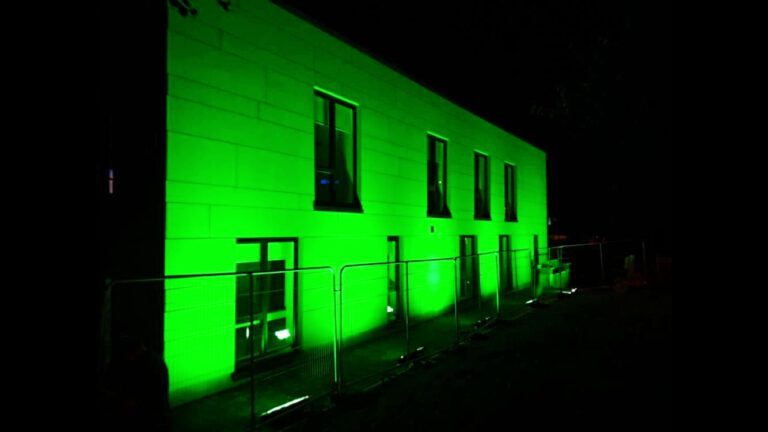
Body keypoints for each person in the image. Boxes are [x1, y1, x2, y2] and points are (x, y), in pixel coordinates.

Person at [103, 333, 170, 432]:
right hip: (161, 416)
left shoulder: (142, 366)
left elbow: (135, 401)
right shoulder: (156, 359)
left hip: (149, 420)